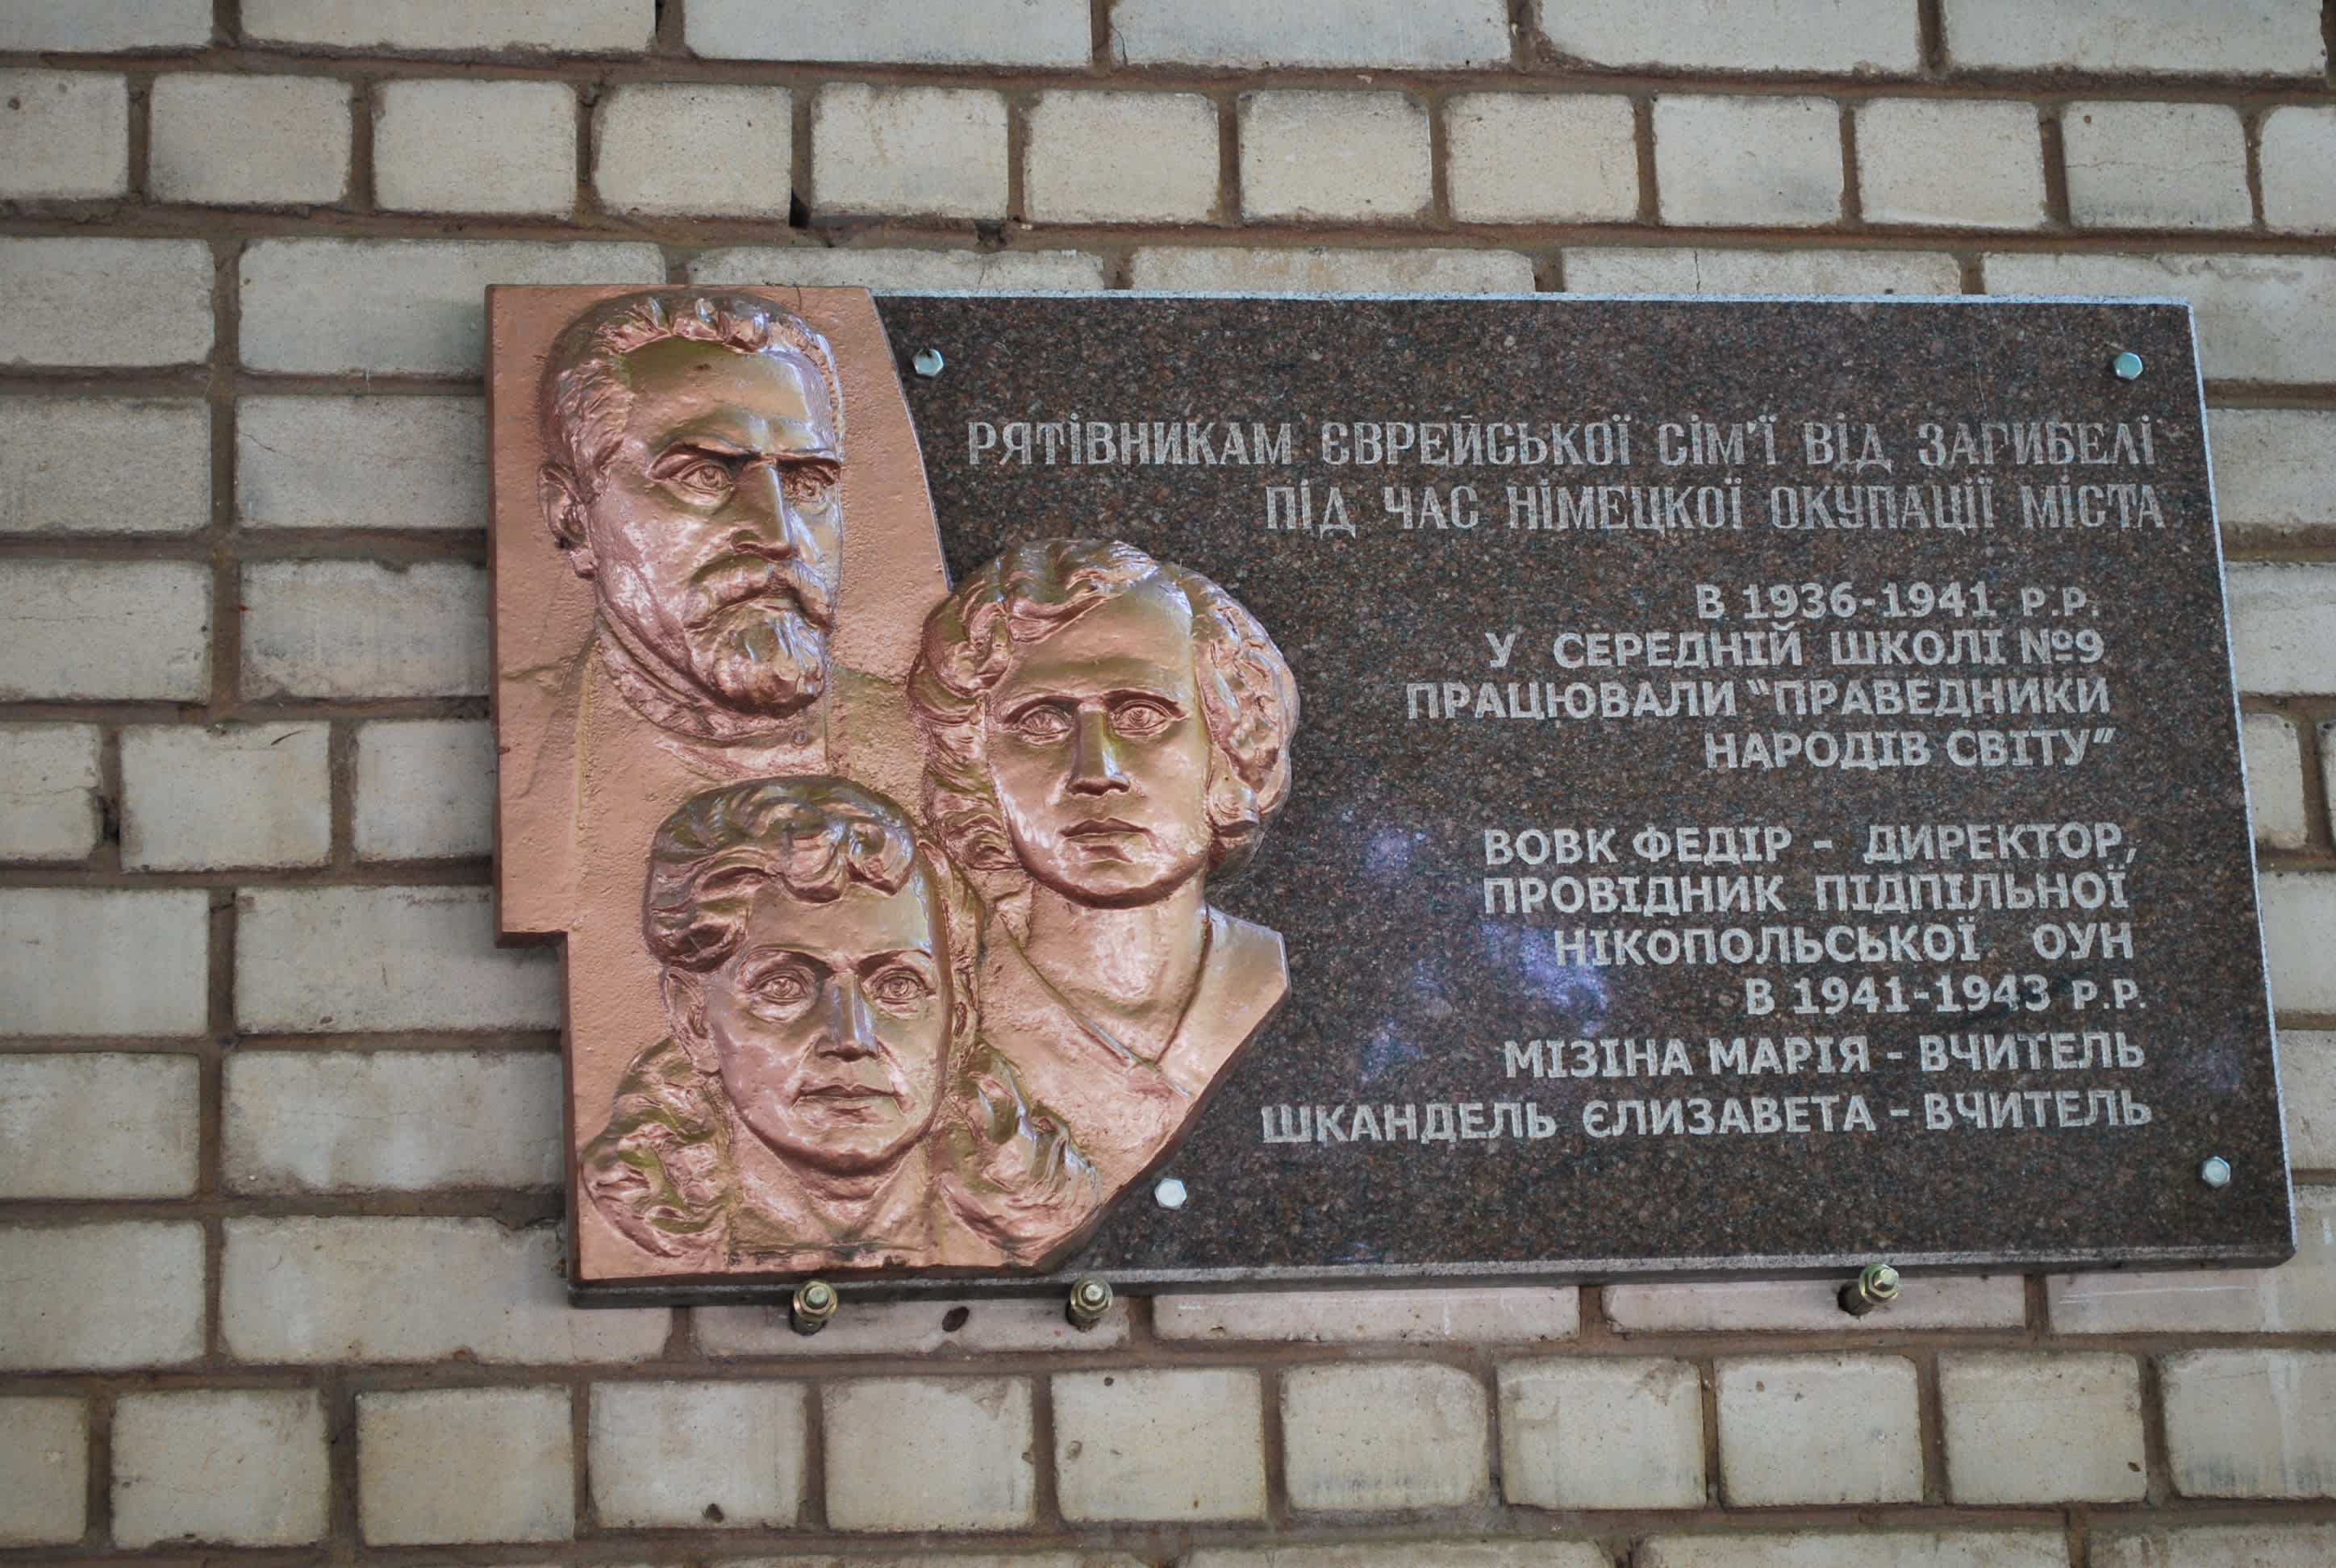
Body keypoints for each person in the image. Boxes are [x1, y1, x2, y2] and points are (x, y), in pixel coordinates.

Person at [908, 539, 1299, 1202]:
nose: (1096, 771)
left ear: (1230, 741)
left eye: (1142, 715)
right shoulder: (924, 1019)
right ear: (976, 762)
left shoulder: (1255, 976)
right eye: (1042, 721)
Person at [581, 776, 1087, 1270]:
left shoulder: (1034, 1232)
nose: (851, 1039)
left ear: (960, 1018)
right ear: (693, 1020)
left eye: (897, 986)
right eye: (784, 986)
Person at [536, 290, 846, 744]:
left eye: (808, 484)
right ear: (572, 517)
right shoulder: (545, 743)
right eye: (706, 475)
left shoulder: (950, 739)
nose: (779, 538)